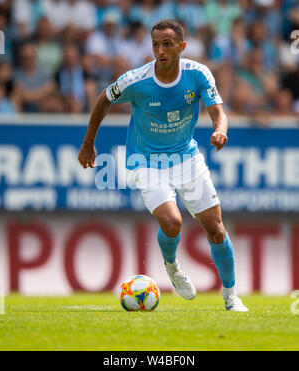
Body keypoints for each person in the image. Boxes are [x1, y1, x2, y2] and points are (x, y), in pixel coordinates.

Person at [78, 19, 248, 312]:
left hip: (187, 157)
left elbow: (218, 111)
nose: (160, 51)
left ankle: (231, 297)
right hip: (147, 161)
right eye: (155, 44)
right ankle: (172, 265)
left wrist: (220, 129)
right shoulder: (136, 80)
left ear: (181, 47)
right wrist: (88, 142)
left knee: (216, 230)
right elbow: (103, 99)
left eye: (167, 44)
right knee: (172, 223)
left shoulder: (198, 74)